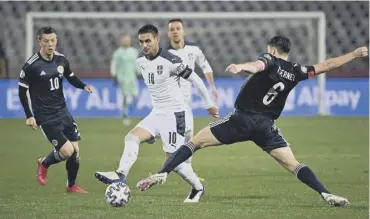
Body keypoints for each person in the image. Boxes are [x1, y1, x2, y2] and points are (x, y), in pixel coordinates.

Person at [136, 35, 369, 208]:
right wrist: (354, 55)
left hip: (241, 119)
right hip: (266, 127)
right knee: (293, 164)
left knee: (194, 143)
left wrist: (242, 66)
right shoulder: (297, 70)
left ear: (272, 49)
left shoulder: (270, 58)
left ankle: (163, 172)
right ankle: (326, 194)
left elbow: (259, 65)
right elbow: (327, 65)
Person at [94, 24, 219, 203]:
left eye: (148, 41)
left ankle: (198, 187)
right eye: (141, 42)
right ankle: (120, 175)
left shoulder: (171, 60)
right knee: (131, 137)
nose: (144, 45)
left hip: (174, 116)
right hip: (156, 113)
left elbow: (196, 79)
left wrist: (208, 103)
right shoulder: (140, 60)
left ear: (157, 40)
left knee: (173, 163)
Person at [18, 27, 94, 193]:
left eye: (53, 40)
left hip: (63, 111)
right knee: (67, 151)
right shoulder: (31, 66)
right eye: (46, 41)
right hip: (45, 116)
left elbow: (70, 77)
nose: (50, 44)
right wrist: (29, 115)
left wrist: (83, 86)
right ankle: (44, 163)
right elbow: (22, 90)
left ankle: (71, 185)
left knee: (76, 151)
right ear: (40, 42)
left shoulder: (61, 59)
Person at [164, 18, 218, 181]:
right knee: (181, 136)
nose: (175, 31)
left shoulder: (193, 50)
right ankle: (170, 168)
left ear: (183, 31)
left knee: (188, 136)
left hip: (186, 101)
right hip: (171, 100)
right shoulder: (165, 54)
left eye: (178, 28)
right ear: (168, 33)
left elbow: (205, 66)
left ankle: (184, 170)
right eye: (172, 29)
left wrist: (212, 87)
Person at [110, 34, 139, 125]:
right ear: (121, 41)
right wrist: (114, 75)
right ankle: (125, 115)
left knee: (135, 95)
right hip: (122, 77)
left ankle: (124, 111)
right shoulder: (118, 52)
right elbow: (114, 64)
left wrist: (140, 73)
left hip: (132, 77)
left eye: (128, 40)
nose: (126, 41)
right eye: (124, 40)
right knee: (126, 96)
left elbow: (137, 63)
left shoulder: (134, 51)